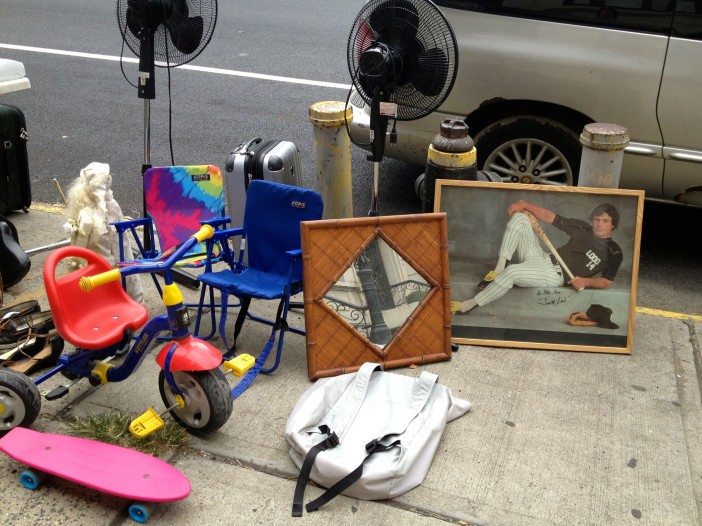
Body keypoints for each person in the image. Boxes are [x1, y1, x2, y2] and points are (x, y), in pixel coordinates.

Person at [452, 200, 623, 314]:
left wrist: (585, 282)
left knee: (513, 272)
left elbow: (606, 282)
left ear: (613, 224)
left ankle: (469, 305)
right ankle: (498, 269)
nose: (599, 224)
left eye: (605, 220)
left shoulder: (614, 251)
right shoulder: (583, 228)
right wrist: (525, 204)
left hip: (554, 275)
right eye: (596, 219)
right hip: (542, 257)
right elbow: (551, 218)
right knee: (520, 218)